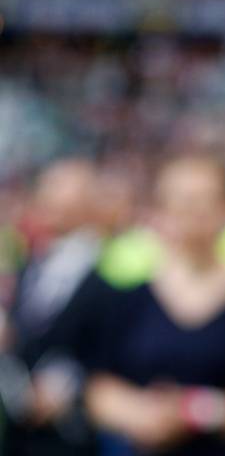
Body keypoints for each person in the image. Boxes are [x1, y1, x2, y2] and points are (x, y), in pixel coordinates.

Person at [84, 154, 225, 456]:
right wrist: (141, 415)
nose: (193, 212)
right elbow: (100, 388)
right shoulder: (131, 300)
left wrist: (205, 410)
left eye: (205, 200)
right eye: (181, 200)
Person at [2, 159, 114, 456]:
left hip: (75, 434)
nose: (50, 197)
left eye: (61, 189)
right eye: (47, 187)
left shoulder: (110, 269)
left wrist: (68, 387)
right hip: (21, 433)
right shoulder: (31, 263)